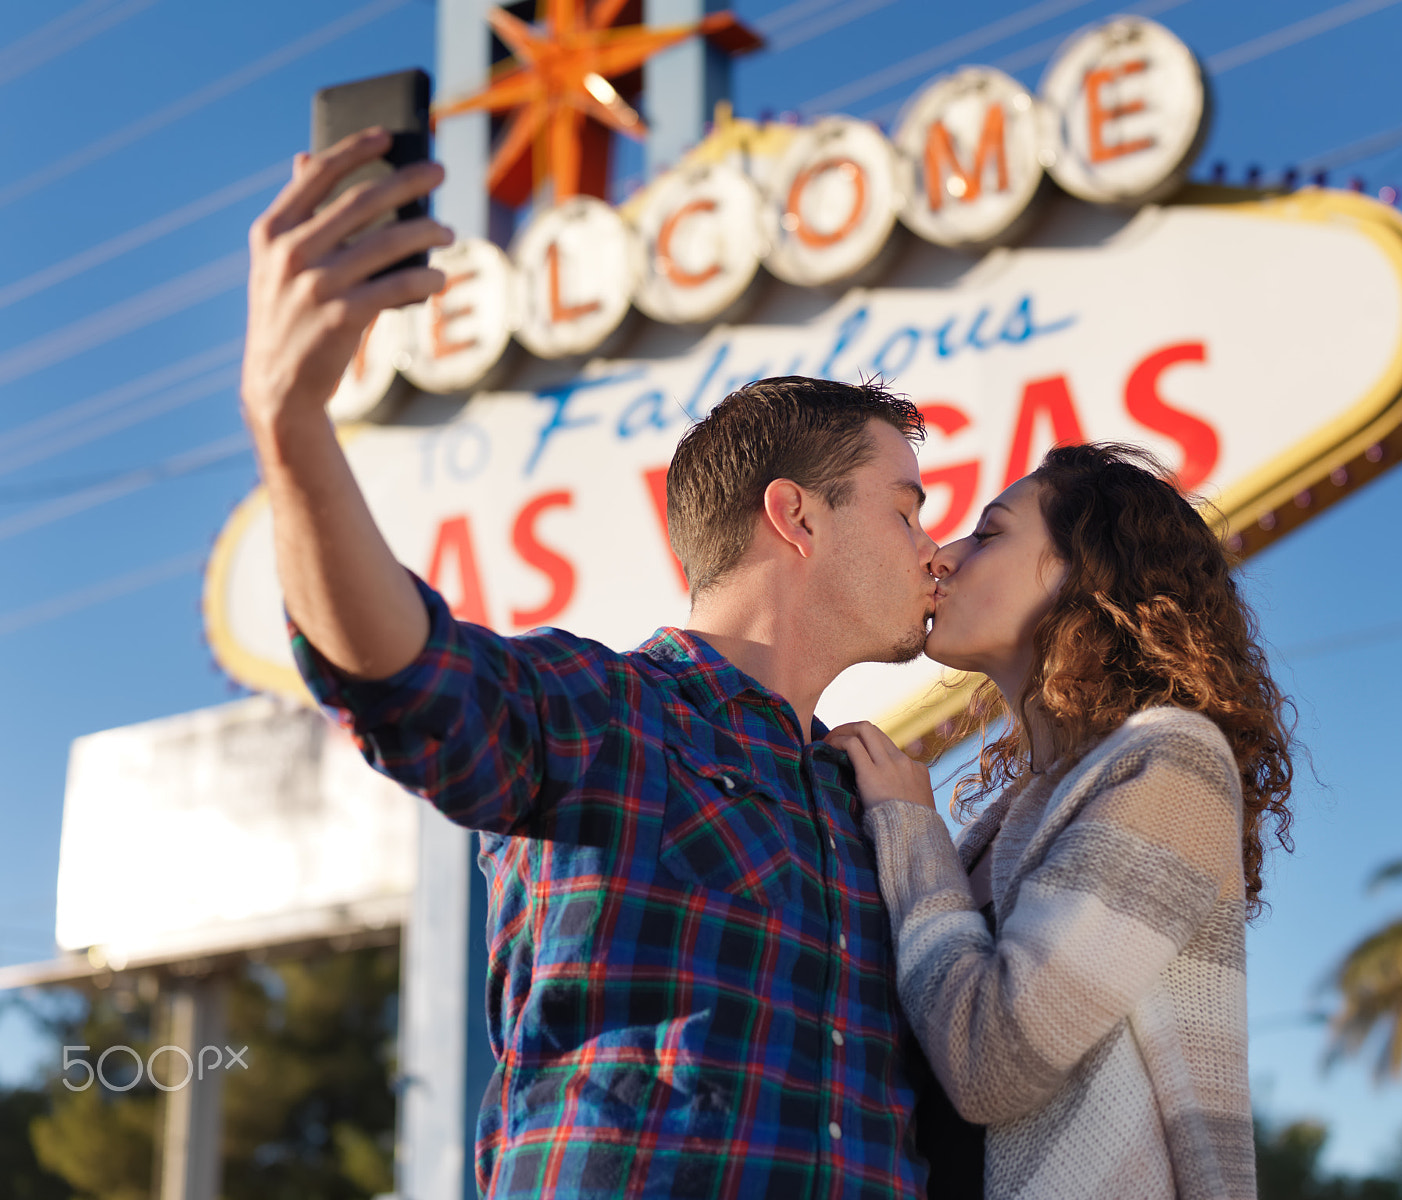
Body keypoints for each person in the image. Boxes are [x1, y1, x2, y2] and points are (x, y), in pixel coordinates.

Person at [240, 129, 943, 1198]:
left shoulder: (873, 809)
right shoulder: (611, 711)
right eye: (905, 509)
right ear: (796, 518)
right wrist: (290, 424)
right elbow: (411, 679)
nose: (931, 548)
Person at [826, 443, 1297, 1200]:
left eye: (989, 533)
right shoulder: (1016, 811)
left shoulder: (1173, 762)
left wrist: (912, 834)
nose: (942, 556)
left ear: (1089, 572)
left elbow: (996, 1065)